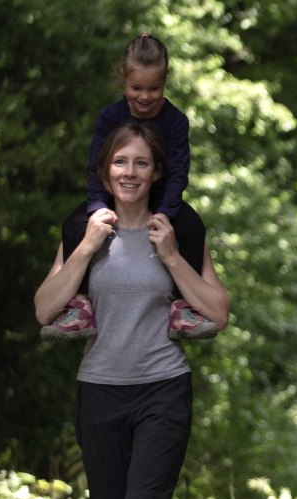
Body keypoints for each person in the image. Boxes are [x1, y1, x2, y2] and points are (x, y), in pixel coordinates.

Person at [33, 120, 229, 499]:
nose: (130, 173)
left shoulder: (178, 230)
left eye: (141, 163)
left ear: (157, 172)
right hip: (99, 392)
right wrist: (87, 248)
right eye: (121, 162)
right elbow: (45, 309)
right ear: (106, 170)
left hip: (162, 389)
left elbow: (218, 311)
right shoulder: (83, 228)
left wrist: (170, 257)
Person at [43, 32, 218, 341]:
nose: (145, 96)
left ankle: (182, 306)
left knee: (192, 227)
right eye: (136, 88)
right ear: (123, 80)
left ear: (165, 83)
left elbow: (178, 173)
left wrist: (165, 213)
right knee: (74, 226)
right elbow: (96, 165)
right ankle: (80, 305)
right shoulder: (110, 117)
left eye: (155, 88)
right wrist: (97, 207)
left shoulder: (175, 121)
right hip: (110, 197)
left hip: (163, 199)